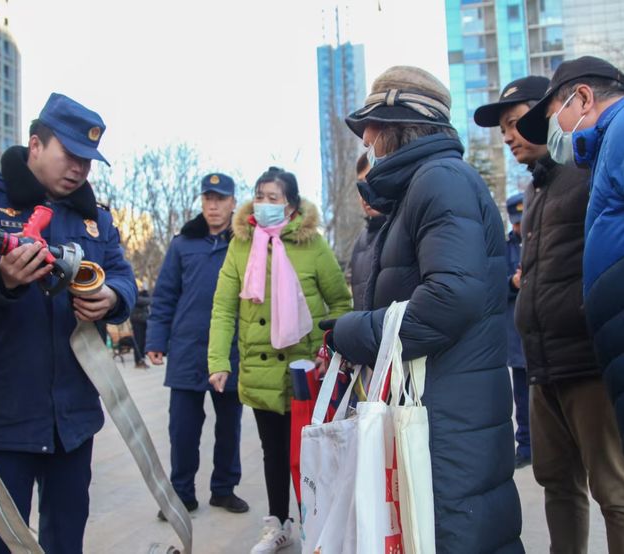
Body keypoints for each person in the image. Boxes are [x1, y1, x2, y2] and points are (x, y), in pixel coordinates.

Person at [326, 66, 523, 553]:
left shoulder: (440, 180)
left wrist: (353, 332)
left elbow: (449, 298)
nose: (366, 140)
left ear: (398, 126)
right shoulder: (423, 185)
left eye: (372, 127)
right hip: (444, 408)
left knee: (457, 535)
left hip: (449, 418)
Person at [0, 93, 137, 553]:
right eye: (71, 155)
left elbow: (123, 276)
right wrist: (0, 276)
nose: (80, 169)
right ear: (36, 144)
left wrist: (111, 298)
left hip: (73, 419)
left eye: (88, 160)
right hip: (2, 417)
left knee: (67, 538)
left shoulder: (95, 218)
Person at [207, 167, 352, 554]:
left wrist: (328, 351)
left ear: (291, 205)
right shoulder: (240, 245)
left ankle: (317, 527)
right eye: (259, 196)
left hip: (305, 370)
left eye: (273, 197)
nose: (264, 204)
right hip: (260, 370)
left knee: (310, 454)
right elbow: (223, 308)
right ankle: (278, 524)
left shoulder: (313, 244)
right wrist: (218, 361)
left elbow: (340, 302)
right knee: (273, 452)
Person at [515, 56, 624, 552]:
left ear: (581, 99)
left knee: (614, 489)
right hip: (545, 362)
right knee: (557, 482)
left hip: (587, 358)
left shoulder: (594, 161)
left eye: (525, 121)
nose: (512, 135)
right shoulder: (538, 189)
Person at [145, 172, 248, 521]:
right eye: (208, 199)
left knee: (229, 427)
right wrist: (156, 340)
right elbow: (165, 295)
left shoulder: (244, 243)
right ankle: (182, 494)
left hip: (230, 351)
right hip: (187, 351)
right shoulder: (182, 244)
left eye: (220, 199)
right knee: (182, 429)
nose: (213, 206)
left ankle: (224, 489)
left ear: (233, 203)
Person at [505, 192, 530, 467]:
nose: (519, 226)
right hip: (516, 334)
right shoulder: (506, 248)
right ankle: (525, 446)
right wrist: (512, 283)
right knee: (521, 398)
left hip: (542, 332)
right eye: (516, 221)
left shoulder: (541, 238)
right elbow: (494, 286)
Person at [349, 152, 386, 310]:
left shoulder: (404, 229)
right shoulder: (360, 241)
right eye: (361, 184)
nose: (365, 192)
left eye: (372, 181)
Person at [130, 287, 150, 368]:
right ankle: (138, 361)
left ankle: (142, 359)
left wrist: (145, 293)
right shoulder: (134, 296)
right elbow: (147, 301)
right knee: (139, 342)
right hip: (137, 321)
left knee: (143, 342)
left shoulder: (142, 295)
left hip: (143, 321)